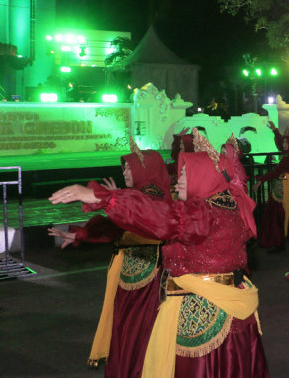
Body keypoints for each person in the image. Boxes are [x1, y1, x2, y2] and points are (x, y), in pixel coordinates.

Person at [49, 129, 268, 378]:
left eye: (187, 173)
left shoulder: (204, 212)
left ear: (204, 175)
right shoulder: (228, 206)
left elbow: (164, 218)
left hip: (201, 311)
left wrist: (105, 198)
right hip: (226, 310)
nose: (179, 179)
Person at [49, 142, 171, 377]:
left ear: (145, 170)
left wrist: (114, 199)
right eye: (124, 168)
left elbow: (137, 216)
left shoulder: (150, 196)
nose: (125, 172)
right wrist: (81, 233)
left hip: (148, 280)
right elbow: (115, 227)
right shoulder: (139, 195)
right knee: (126, 330)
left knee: (138, 331)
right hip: (131, 275)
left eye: (129, 168)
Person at [252, 121, 289, 251]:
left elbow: (276, 172)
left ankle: (278, 242)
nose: (284, 145)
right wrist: (275, 130)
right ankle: (288, 237)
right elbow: (282, 143)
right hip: (286, 191)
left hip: (282, 193)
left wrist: (261, 180)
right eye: (284, 143)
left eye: (287, 142)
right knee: (287, 215)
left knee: (277, 217)